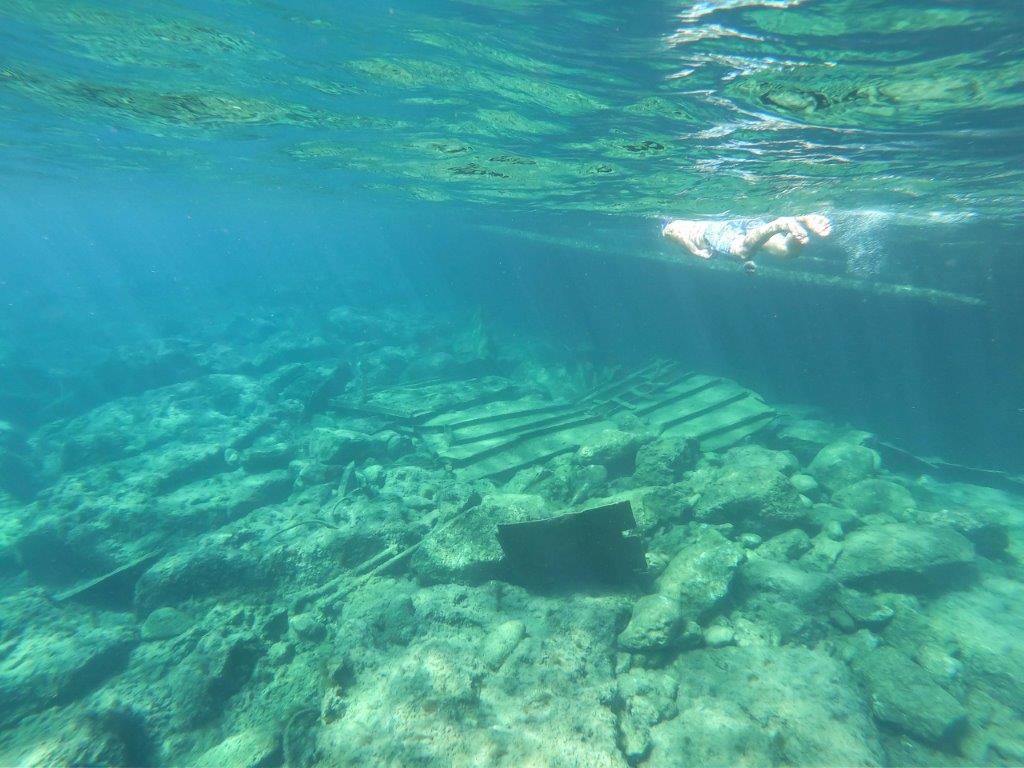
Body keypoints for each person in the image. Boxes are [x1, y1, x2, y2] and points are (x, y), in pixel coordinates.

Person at [662, 214, 832, 272]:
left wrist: (695, 252)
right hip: (736, 222)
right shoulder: (689, 221)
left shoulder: (669, 227)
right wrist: (747, 261)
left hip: (713, 232)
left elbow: (673, 232)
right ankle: (800, 221)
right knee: (786, 252)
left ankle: (780, 223)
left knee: (742, 251)